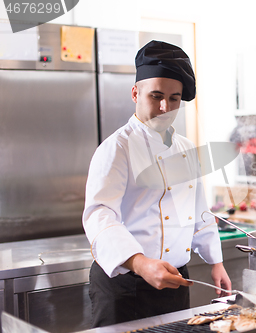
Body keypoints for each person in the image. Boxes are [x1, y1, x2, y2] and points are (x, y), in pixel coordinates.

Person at [82, 40, 231, 328]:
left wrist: (216, 262)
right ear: (135, 92)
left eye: (174, 98)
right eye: (156, 96)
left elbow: (199, 211)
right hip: (125, 285)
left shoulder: (187, 149)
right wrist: (139, 262)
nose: (165, 107)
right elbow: (100, 215)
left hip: (174, 281)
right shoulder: (116, 148)